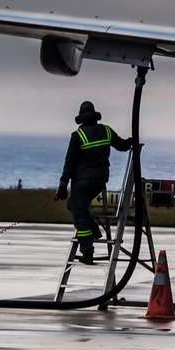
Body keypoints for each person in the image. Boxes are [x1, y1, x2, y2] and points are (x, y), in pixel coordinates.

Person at [55, 100, 135, 263]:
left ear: (82, 118)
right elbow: (122, 146)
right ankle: (95, 230)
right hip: (100, 181)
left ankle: (88, 252)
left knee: (80, 215)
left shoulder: (78, 136)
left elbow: (69, 163)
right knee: (73, 204)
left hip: (81, 182)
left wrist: (62, 185)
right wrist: (132, 141)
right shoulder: (106, 130)